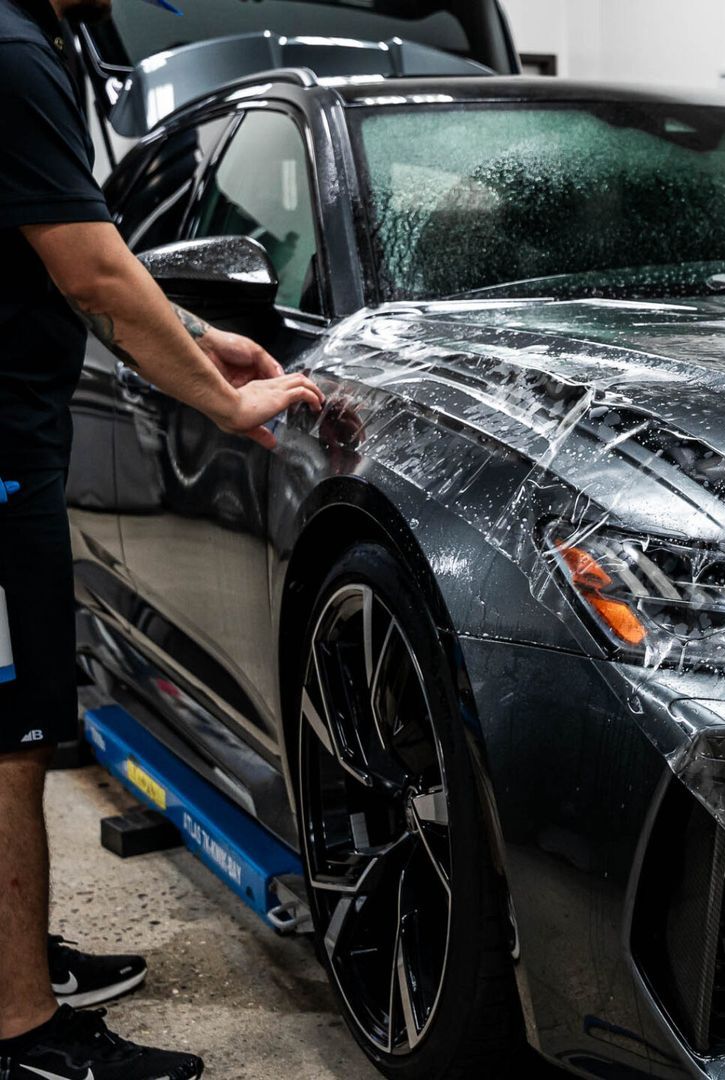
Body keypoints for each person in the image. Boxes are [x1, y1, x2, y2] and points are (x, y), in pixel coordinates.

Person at [0, 0, 324, 1075]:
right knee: (9, 743)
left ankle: (13, 964)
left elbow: (69, 256)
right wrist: (224, 403)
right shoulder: (12, 55)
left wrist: (194, 332)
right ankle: (24, 1035)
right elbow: (91, 273)